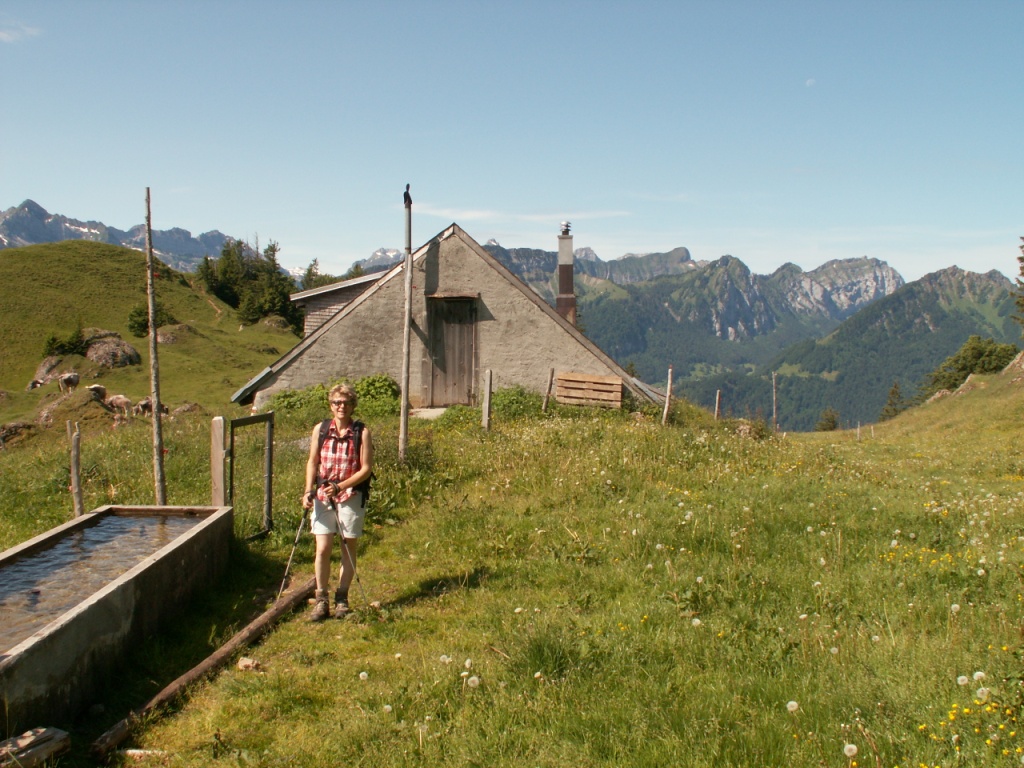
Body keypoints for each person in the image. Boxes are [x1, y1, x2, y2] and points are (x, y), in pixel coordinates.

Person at [301, 384, 373, 621]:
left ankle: (342, 597)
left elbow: (366, 469)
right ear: (331, 405)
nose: (341, 407)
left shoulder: (361, 432)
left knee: (347, 548)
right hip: (323, 495)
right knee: (322, 548)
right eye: (337, 403)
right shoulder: (321, 429)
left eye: (346, 403)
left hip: (350, 495)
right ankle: (321, 599)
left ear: (353, 406)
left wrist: (340, 486)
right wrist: (308, 490)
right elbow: (312, 461)